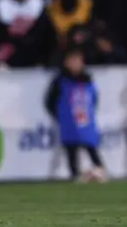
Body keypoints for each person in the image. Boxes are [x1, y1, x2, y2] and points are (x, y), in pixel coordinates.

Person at [45, 46, 106, 182]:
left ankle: (100, 169)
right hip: (68, 120)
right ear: (66, 62)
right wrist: (59, 115)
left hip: (84, 118)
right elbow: (50, 101)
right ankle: (75, 174)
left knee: (90, 145)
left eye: (77, 61)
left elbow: (94, 98)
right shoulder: (60, 80)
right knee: (71, 147)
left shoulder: (87, 79)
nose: (75, 64)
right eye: (72, 60)